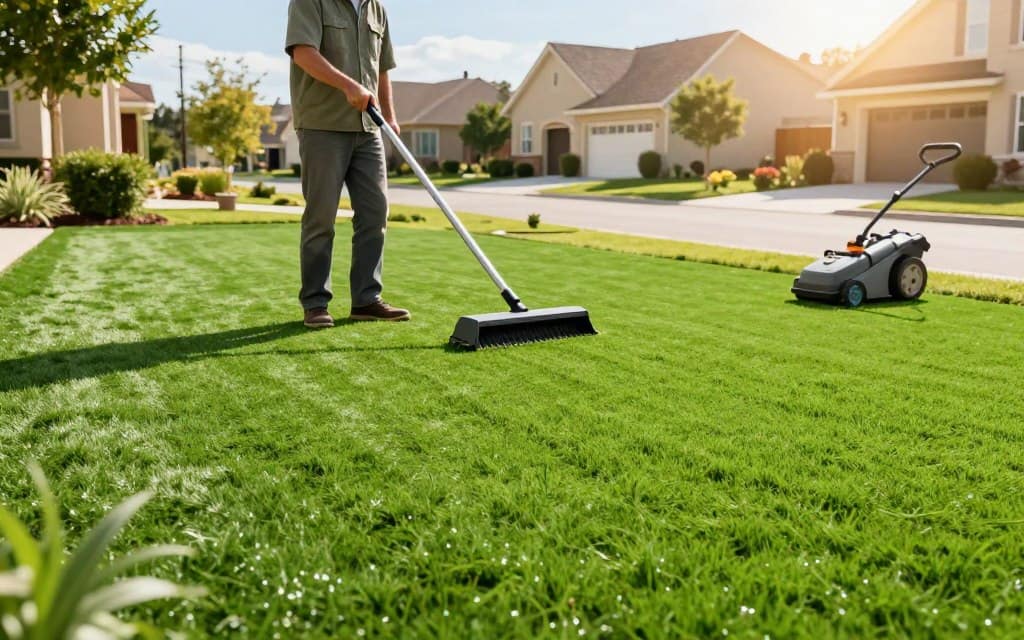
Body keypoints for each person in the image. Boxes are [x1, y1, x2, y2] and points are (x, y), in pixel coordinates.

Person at [286, 0, 410, 329]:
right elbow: (303, 52)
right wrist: (348, 86)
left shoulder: (376, 9)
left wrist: (391, 117)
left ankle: (366, 300)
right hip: (322, 125)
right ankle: (315, 303)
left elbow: (382, 68)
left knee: (375, 213)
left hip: (369, 128)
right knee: (321, 216)